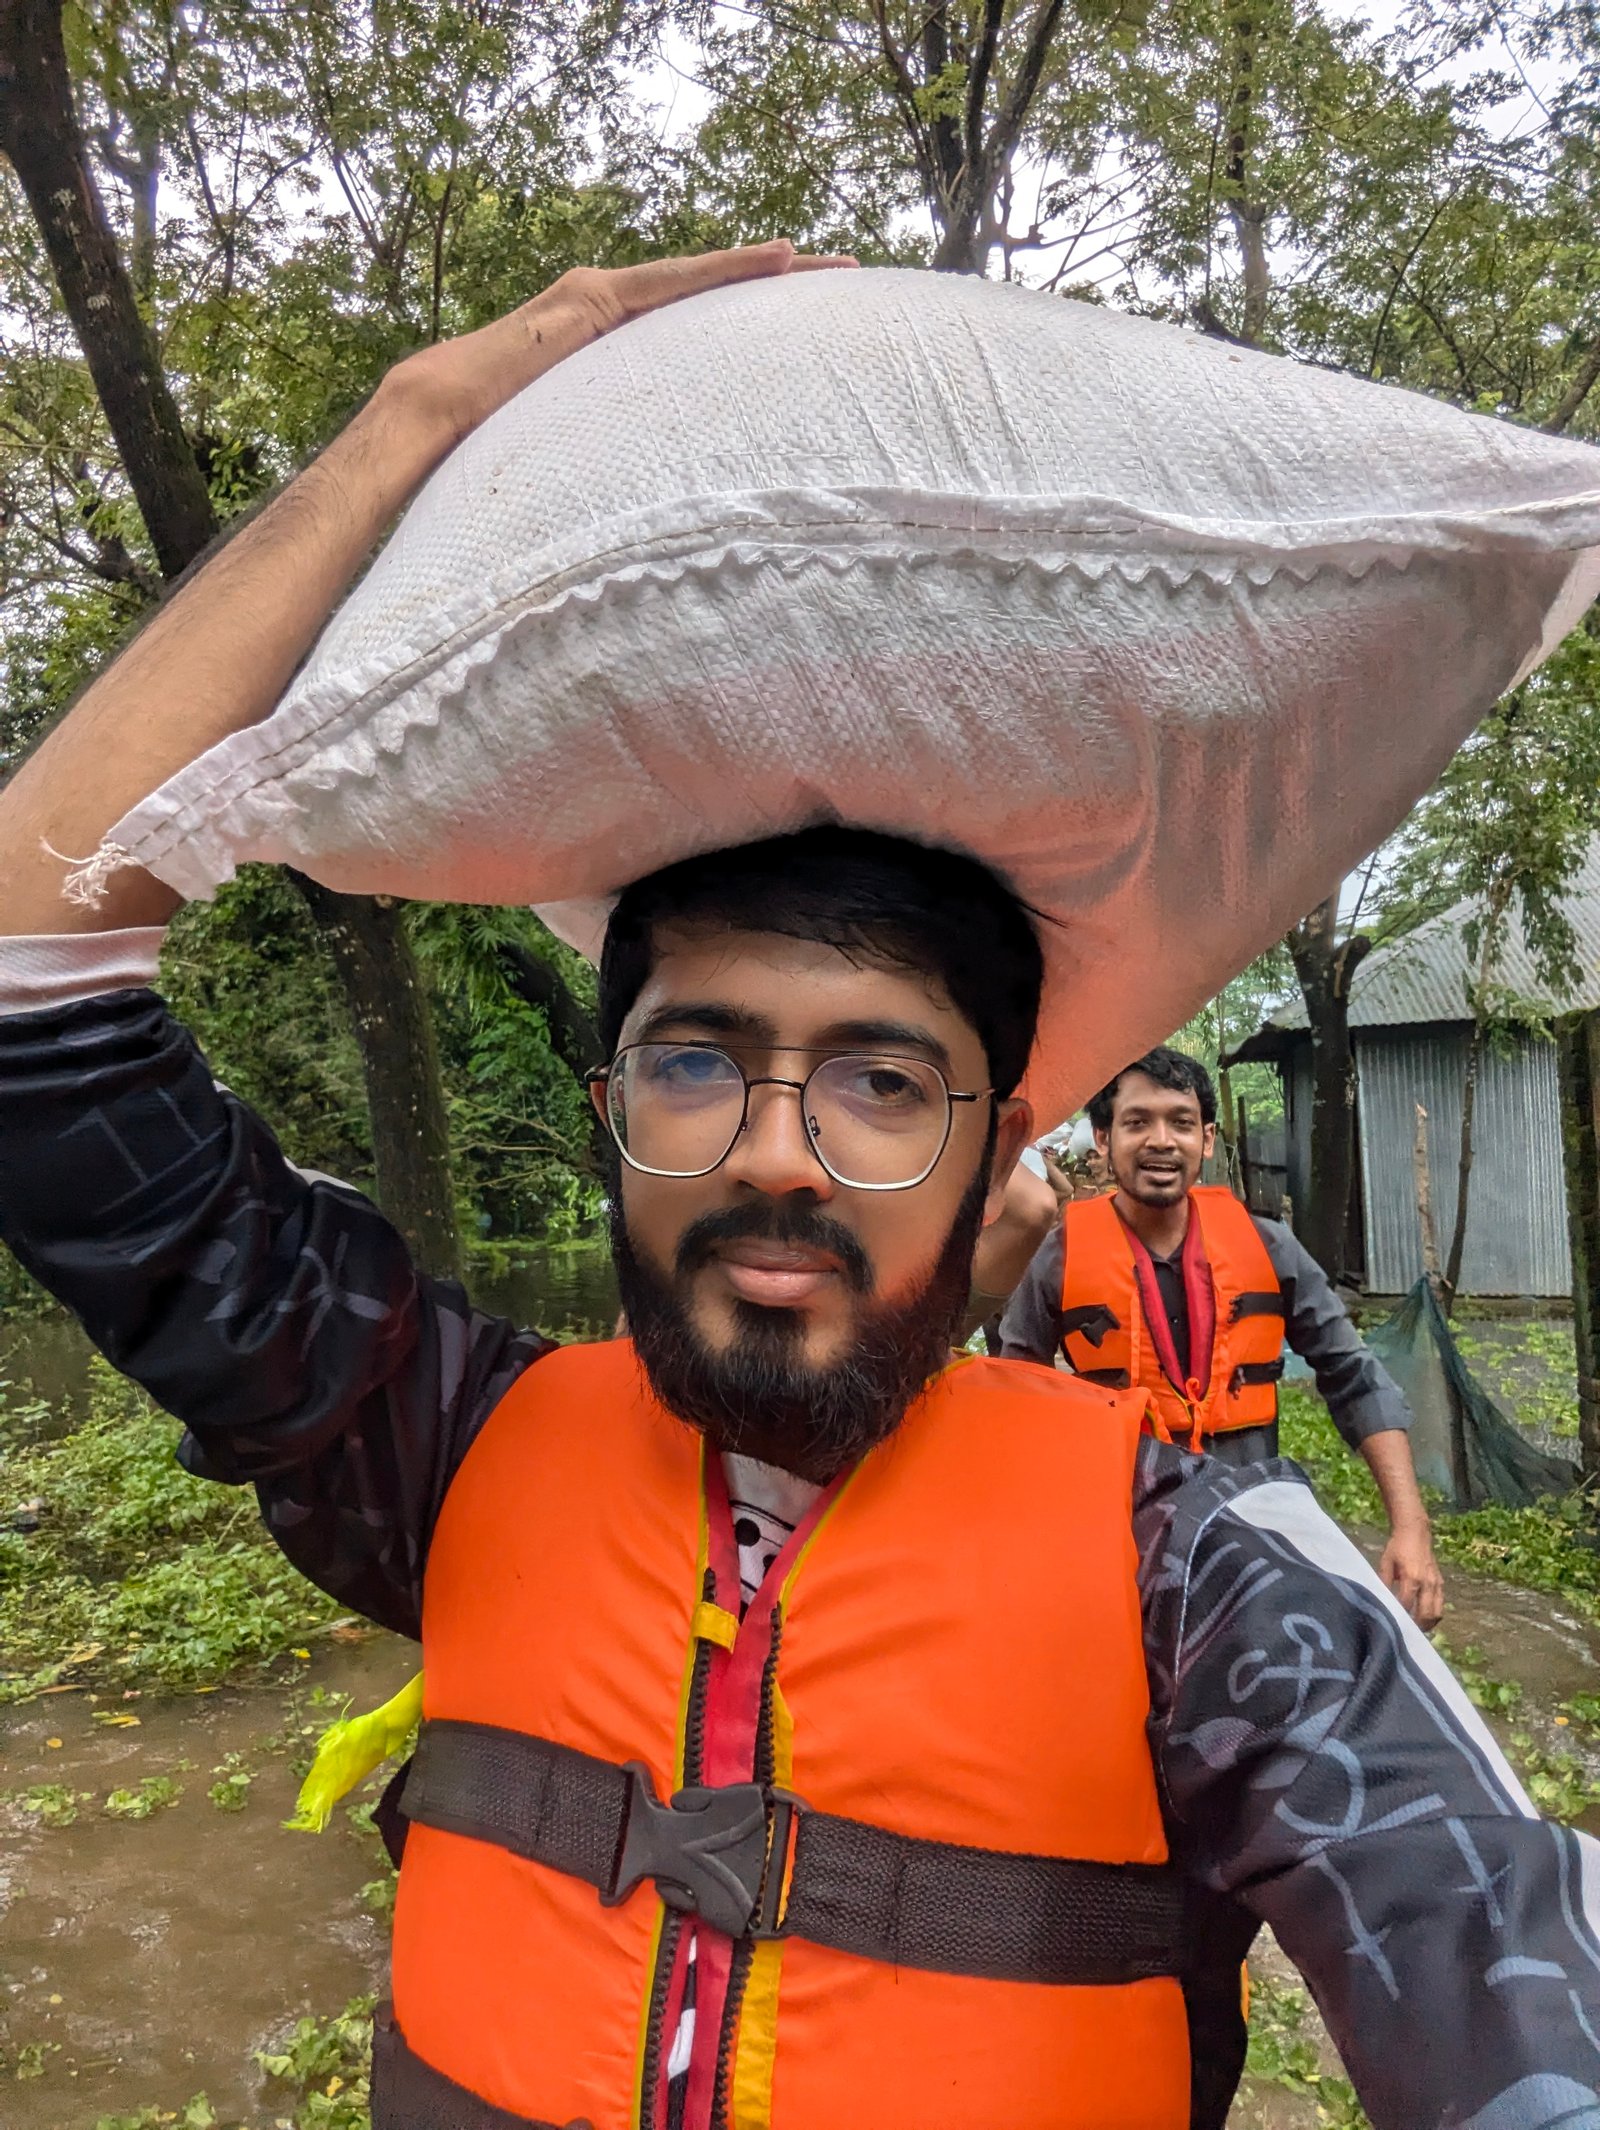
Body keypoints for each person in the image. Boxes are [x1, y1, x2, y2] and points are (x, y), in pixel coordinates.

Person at [1, 243, 1594, 2130]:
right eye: (696, 1062)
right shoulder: (428, 1445)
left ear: (1001, 1140)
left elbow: (1500, 1961)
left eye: (880, 1082)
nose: (771, 1150)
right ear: (610, 1108)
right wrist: (410, 427)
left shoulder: (1207, 1580)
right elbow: (29, 989)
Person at [999, 1046, 1445, 1630]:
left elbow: (1353, 1375)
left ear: (1206, 1140)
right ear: (1103, 1139)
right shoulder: (1058, 1259)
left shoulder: (1269, 1246)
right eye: (1137, 1122)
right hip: (1122, 1540)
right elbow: (1014, 1402)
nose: (1162, 1140)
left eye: (1181, 1122)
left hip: (1252, 1532)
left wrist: (1411, 1527)